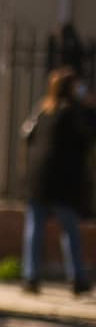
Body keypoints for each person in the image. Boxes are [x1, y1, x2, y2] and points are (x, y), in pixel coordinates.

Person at [21, 66, 95, 295]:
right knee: (69, 229)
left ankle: (31, 277)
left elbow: (26, 134)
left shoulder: (43, 110)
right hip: (63, 180)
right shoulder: (76, 113)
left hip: (38, 178)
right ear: (72, 88)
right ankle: (78, 278)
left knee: (35, 229)